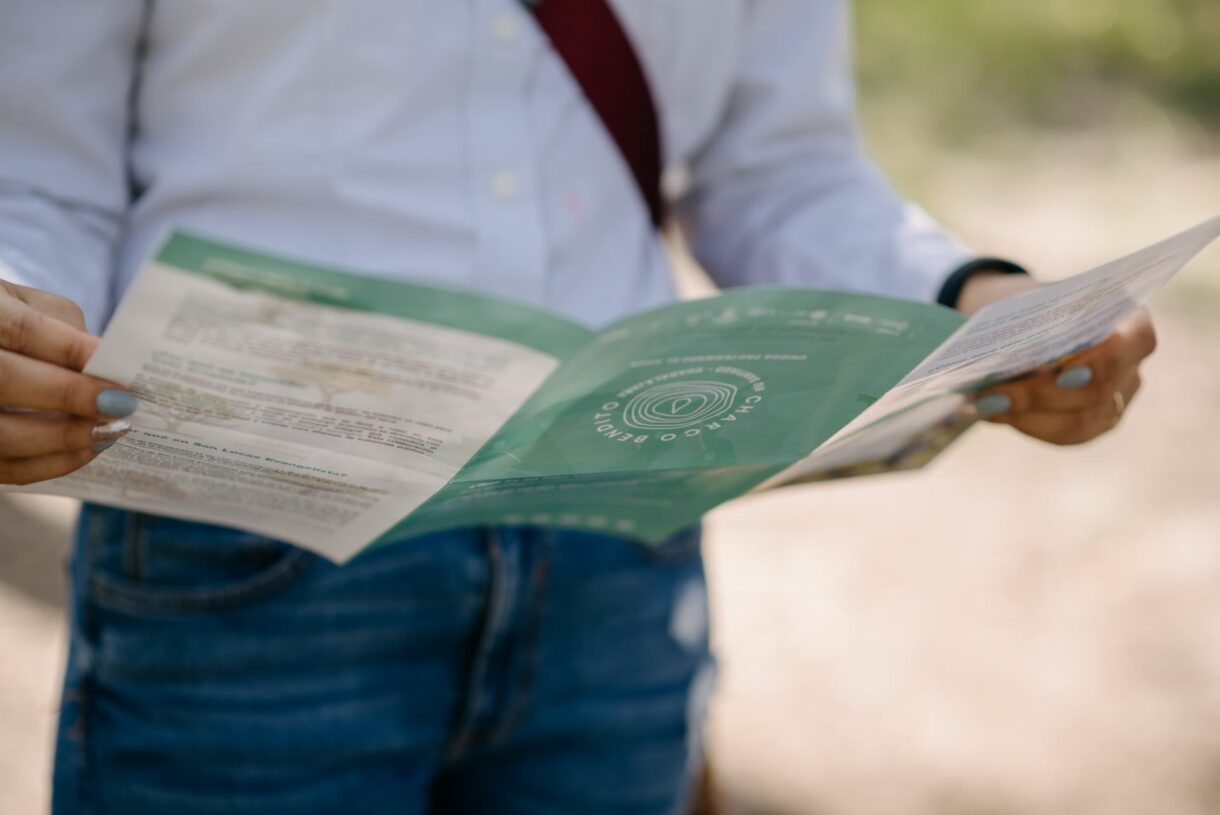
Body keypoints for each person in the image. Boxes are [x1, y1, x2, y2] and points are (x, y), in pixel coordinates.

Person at [0, 2, 1156, 813]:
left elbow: (776, 163)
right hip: (247, 549)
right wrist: (18, 320)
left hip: (616, 552)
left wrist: (974, 299)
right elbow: (40, 166)